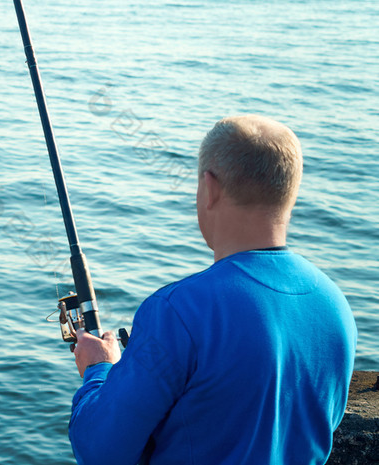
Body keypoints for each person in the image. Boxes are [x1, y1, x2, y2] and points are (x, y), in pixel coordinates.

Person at [70, 115, 357, 465]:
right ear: (290, 193)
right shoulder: (336, 308)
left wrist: (98, 370)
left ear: (210, 188)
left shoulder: (177, 311)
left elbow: (100, 451)